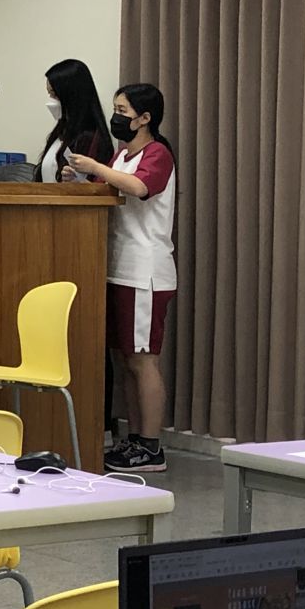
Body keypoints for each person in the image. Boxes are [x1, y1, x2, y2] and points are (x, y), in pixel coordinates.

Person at [67, 84, 177, 475]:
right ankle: (134, 439)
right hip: (118, 267)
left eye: (122, 110)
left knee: (143, 359)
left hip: (145, 271)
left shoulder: (157, 153)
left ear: (145, 118)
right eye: (115, 109)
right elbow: (110, 191)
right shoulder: (122, 155)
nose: (116, 117)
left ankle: (151, 445)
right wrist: (81, 179)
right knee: (125, 358)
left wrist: (96, 168)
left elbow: (140, 187)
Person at [39, 59, 114, 183]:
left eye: (54, 95)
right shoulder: (61, 132)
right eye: (49, 94)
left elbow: (93, 186)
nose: (51, 101)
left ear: (71, 96)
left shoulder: (90, 139)